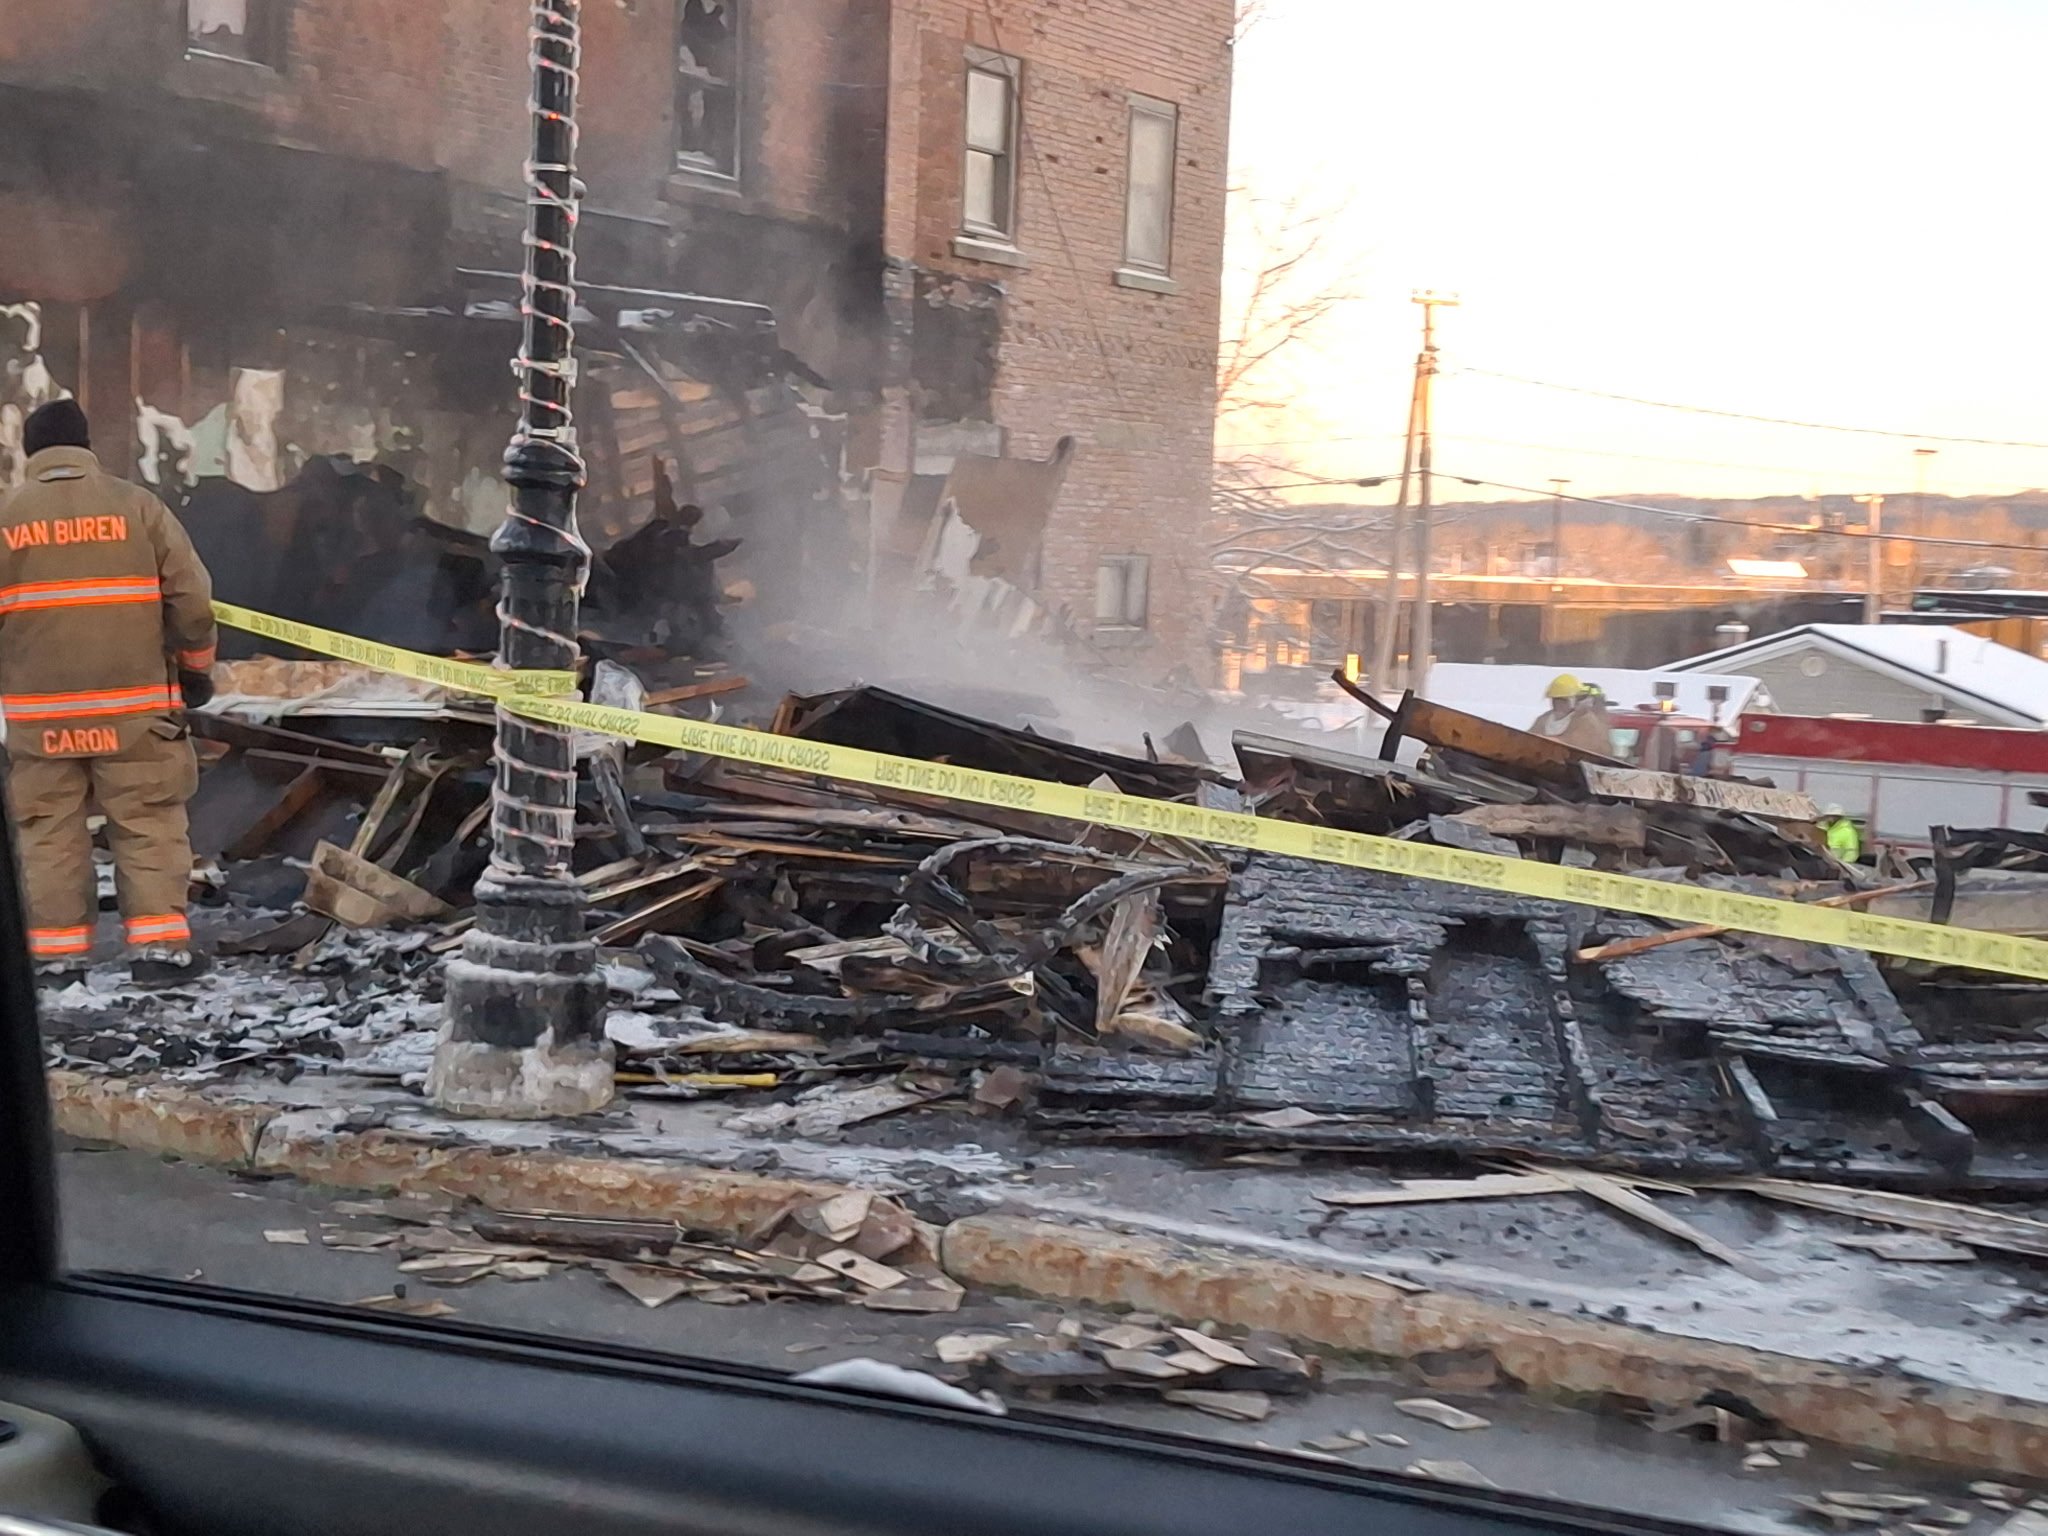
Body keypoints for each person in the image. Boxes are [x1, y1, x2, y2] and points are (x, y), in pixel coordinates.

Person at [0, 399, 218, 987]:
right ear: (86, 446)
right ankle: (158, 952)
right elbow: (192, 599)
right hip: (135, 711)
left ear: (31, 451)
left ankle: (56, 955)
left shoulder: (5, 515)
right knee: (147, 818)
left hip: (37, 719)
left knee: (46, 829)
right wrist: (196, 670)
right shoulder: (137, 507)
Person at [1528, 673, 1613, 754]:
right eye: (1555, 700)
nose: (1558, 704)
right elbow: (1527, 739)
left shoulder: (1585, 721)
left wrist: (1547, 741)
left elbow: (1575, 745)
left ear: (1575, 700)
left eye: (1563, 700)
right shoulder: (1544, 719)